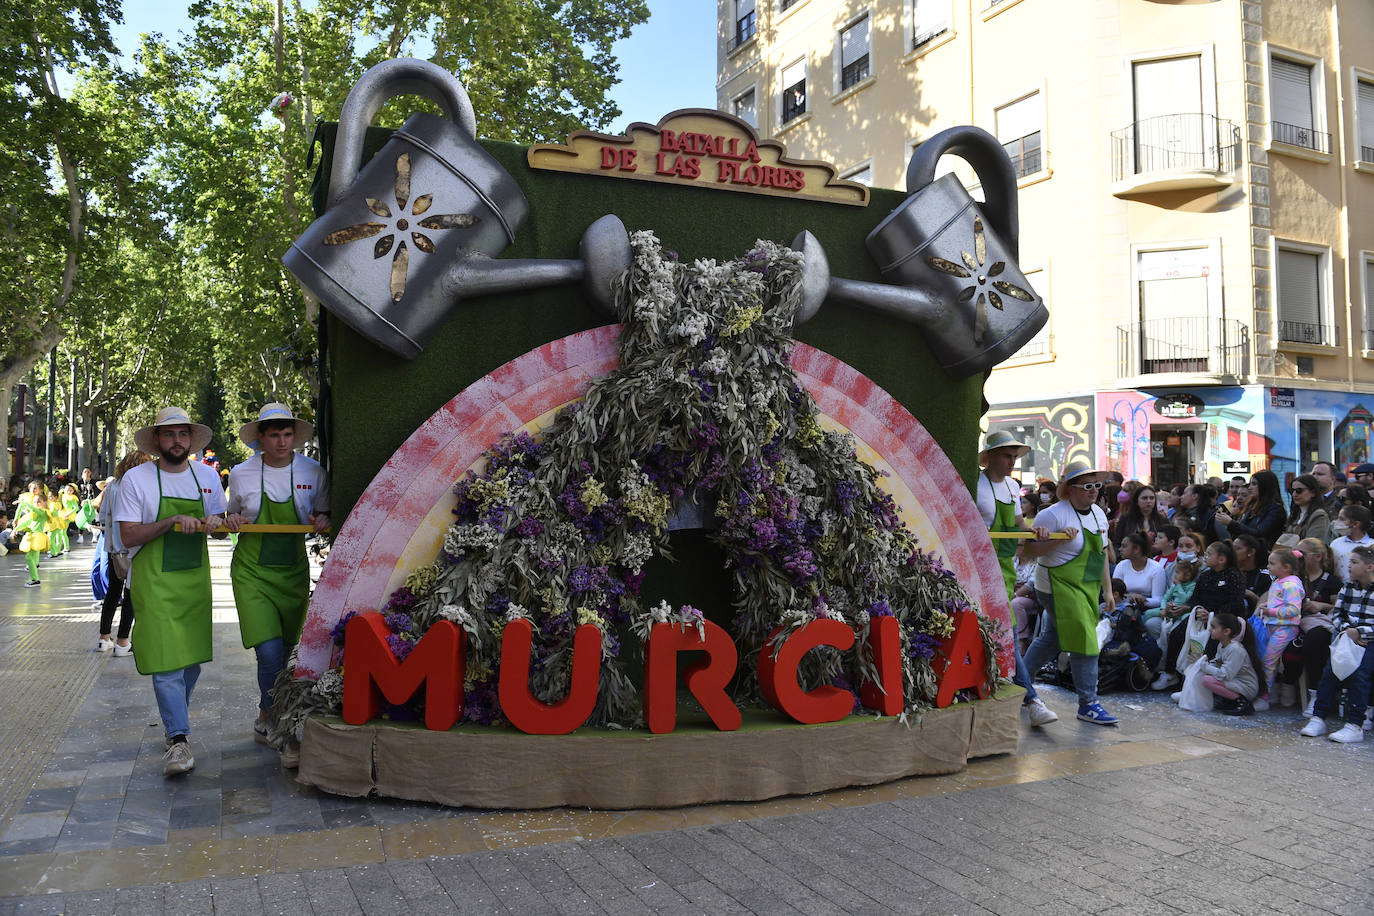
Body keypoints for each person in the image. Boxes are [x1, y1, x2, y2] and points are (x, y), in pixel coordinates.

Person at [115, 406, 227, 777]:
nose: (176, 441)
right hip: (153, 581)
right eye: (169, 435)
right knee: (166, 662)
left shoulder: (208, 477)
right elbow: (129, 535)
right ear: (157, 441)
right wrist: (170, 522)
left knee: (190, 662)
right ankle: (179, 740)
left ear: (190, 440)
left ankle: (172, 723)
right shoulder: (136, 480)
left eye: (182, 434)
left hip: (195, 580)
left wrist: (217, 523)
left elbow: (223, 528)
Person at [225, 403, 331, 764]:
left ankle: (265, 714)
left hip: (293, 572)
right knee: (268, 652)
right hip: (252, 573)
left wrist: (323, 519)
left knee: (285, 653)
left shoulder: (313, 472)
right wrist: (233, 518)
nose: (282, 441)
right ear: (261, 438)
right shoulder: (241, 473)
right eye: (274, 435)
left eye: (287, 434)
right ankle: (280, 726)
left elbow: (324, 512)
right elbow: (230, 514)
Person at [1021, 459, 1118, 725]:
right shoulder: (1051, 515)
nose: (1093, 490)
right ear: (1070, 488)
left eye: (1096, 485)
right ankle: (1088, 704)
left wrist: (1107, 591)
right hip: (1055, 586)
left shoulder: (1099, 514)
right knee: (1085, 639)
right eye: (1087, 485)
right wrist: (1054, 539)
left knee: (1052, 637)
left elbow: (1101, 555)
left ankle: (1020, 684)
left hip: (1086, 588)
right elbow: (1028, 553)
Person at [1298, 544, 1374, 744]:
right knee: (1329, 673)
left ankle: (1355, 724)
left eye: (1355, 562)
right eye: (1349, 562)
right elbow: (1338, 613)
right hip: (1346, 637)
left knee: (1361, 675)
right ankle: (1318, 717)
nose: (1349, 566)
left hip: (1369, 640)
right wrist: (1348, 630)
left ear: (1370, 567)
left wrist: (1360, 632)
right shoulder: (1348, 586)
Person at [1153, 541, 1248, 690]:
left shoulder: (1234, 576)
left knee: (1211, 643)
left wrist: (1212, 615)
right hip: (1199, 616)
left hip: (1224, 620)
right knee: (1176, 634)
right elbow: (1195, 598)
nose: (1205, 556)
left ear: (1222, 559)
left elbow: (1236, 603)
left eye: (1209, 554)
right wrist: (1195, 609)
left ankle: (1199, 683)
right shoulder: (1205, 575)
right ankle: (1171, 674)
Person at [98, 452, 153, 657]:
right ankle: (122, 641)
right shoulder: (138, 486)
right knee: (131, 596)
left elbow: (103, 516)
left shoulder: (112, 485)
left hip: (113, 549)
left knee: (112, 593)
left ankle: (104, 638)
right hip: (134, 549)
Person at [1281, 537, 1340, 715]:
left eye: (1302, 554)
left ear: (1318, 556)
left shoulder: (1331, 581)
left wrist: (1320, 605)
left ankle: (1315, 694)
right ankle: (1280, 689)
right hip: (1294, 622)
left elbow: (1339, 607)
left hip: (1318, 624)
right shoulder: (1293, 578)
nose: (1297, 556)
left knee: (1314, 641)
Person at [1257, 546, 1304, 708]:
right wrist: (1267, 605)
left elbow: (1293, 609)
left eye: (1272, 564)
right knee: (1267, 661)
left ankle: (1264, 696)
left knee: (1268, 662)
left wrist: (1270, 610)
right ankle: (1270, 694)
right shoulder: (1278, 582)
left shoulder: (1291, 585)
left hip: (1285, 628)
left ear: (1286, 567)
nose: (1268, 567)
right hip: (1273, 626)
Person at [1198, 613, 1263, 716]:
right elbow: (1218, 662)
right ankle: (1230, 701)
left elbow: (1225, 674)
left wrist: (1205, 667)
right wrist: (1206, 664)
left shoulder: (1235, 649)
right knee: (1204, 674)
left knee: (1207, 680)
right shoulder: (1222, 644)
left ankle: (1242, 702)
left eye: (1214, 627)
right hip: (1235, 682)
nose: (1210, 629)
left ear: (1226, 631)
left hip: (1246, 687)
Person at [1217, 470, 1285, 553]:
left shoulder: (1275, 509)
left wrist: (1231, 523)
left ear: (1264, 486)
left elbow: (1260, 534)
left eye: (1254, 484)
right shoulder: (1253, 507)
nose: (1250, 488)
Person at [1150, 558, 1199, 640]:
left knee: (1186, 619)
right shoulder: (1174, 585)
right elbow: (1165, 598)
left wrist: (1179, 586)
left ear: (1187, 575)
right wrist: (1163, 608)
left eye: (1177, 573)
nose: (1175, 575)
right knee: (1148, 613)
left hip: (1183, 612)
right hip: (1170, 610)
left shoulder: (1192, 586)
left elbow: (1184, 599)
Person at [1110, 485, 1169, 551]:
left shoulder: (1162, 520)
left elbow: (1168, 545)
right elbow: (1117, 543)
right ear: (1137, 501)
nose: (1148, 501)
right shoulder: (1125, 518)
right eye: (1144, 498)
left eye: (1152, 498)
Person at [14, 492, 53, 587]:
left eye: (39, 501)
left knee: (29, 557)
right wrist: (16, 529)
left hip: (37, 537)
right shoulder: (34, 513)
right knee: (32, 559)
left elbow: (34, 509)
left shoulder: (43, 512)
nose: (37, 503)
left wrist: (24, 503)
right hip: (32, 536)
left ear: (45, 502)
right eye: (35, 502)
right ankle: (34, 578)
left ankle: (35, 579)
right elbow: (27, 522)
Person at [1329, 504, 1373, 581]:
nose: (1337, 522)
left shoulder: (1371, 545)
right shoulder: (1336, 543)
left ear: (1356, 524)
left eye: (1342, 519)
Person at [1282, 474, 1330, 545]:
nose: (1294, 494)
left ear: (1313, 492)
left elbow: (1313, 545)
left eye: (1299, 490)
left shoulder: (1319, 516)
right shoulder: (1296, 515)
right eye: (1292, 491)